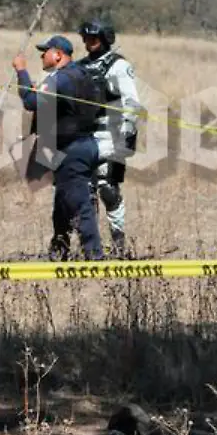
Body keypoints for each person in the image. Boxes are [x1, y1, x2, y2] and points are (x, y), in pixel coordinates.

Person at [12, 35, 106, 261]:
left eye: (45, 52)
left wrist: (21, 72)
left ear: (58, 55)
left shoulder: (61, 78)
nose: (42, 56)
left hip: (72, 150)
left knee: (80, 204)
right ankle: (59, 251)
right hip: (85, 145)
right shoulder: (81, 74)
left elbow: (30, 102)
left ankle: (95, 258)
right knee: (63, 202)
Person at [76, 19, 142, 259]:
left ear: (104, 39)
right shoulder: (80, 66)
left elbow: (131, 100)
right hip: (84, 135)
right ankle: (90, 245)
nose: (88, 43)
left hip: (111, 135)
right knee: (84, 190)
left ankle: (118, 240)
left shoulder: (118, 66)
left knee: (107, 187)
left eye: (93, 38)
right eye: (85, 38)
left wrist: (128, 126)